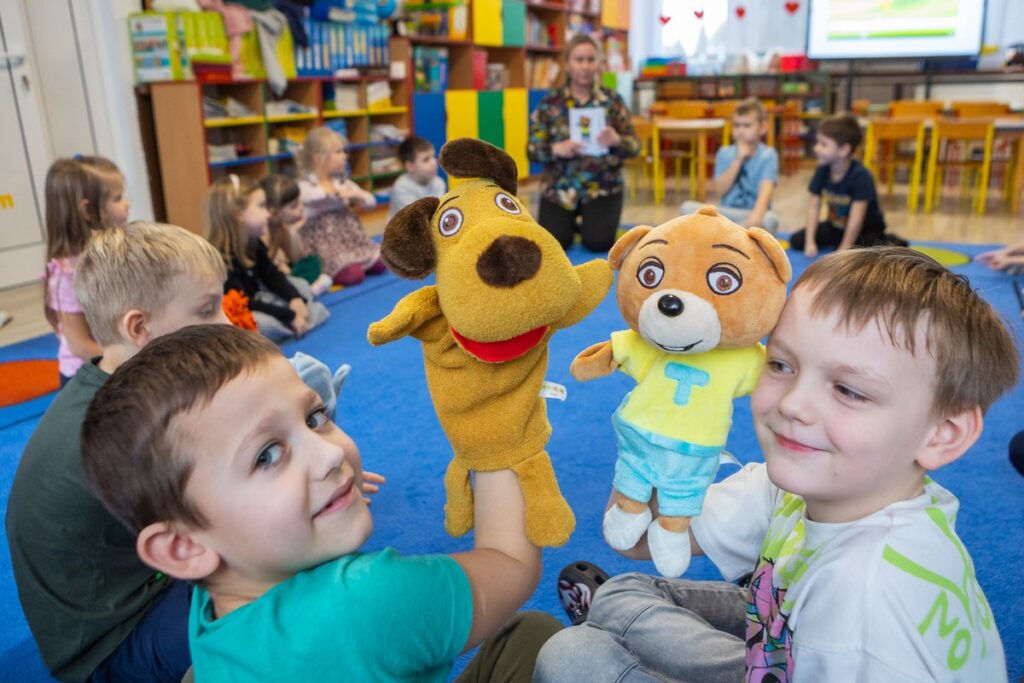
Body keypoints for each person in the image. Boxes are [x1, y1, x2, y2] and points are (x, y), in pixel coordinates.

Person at [535, 247, 1017, 682]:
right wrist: (664, 436)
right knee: (622, 592)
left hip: (815, 647)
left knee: (573, 656)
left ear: (942, 434)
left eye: (849, 390)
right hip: (785, 642)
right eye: (781, 365)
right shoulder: (803, 485)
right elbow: (638, 540)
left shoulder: (863, 604)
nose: (793, 404)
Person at [78, 323, 562, 682]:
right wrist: (498, 422)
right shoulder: (366, 600)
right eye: (267, 455)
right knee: (542, 640)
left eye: (314, 418)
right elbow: (510, 561)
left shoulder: (214, 598)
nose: (330, 453)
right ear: (182, 547)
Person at [7, 222, 227, 683]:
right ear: (140, 327)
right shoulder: (125, 428)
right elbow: (225, 518)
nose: (225, 324)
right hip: (110, 648)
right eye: (208, 309)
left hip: (128, 595)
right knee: (281, 576)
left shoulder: (117, 384)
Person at [527, 34, 640, 252]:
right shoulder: (550, 102)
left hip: (603, 186)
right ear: (567, 64)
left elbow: (635, 147)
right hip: (559, 187)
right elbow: (532, 151)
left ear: (599, 63)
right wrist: (556, 149)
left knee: (598, 242)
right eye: (579, 59)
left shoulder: (612, 101)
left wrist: (617, 140)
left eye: (591, 59)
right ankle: (572, 223)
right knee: (554, 244)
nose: (585, 66)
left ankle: (590, 224)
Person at [206, 174, 330, 342]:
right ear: (238, 213)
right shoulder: (221, 257)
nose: (267, 213)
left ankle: (296, 323)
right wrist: (289, 315)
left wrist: (294, 299)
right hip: (241, 311)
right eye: (262, 206)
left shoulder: (253, 242)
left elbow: (272, 276)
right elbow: (245, 304)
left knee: (299, 287)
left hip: (260, 298)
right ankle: (295, 324)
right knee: (259, 325)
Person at [42, 156, 130, 386]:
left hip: (113, 361)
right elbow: (80, 345)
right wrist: (130, 361)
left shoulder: (105, 253)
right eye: (118, 198)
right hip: (86, 376)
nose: (127, 204)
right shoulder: (68, 276)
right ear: (88, 210)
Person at [790, 113, 906, 256]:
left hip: (865, 229)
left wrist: (843, 251)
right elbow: (813, 206)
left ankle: (890, 241)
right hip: (836, 227)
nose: (816, 148)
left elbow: (857, 220)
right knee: (797, 240)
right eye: (818, 143)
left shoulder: (861, 176)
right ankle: (841, 243)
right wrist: (810, 242)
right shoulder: (823, 169)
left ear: (843, 150)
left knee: (870, 253)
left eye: (823, 144)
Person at [297, 126, 386, 286]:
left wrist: (356, 196)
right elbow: (310, 197)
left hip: (351, 240)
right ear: (319, 158)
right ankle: (343, 268)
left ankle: (359, 262)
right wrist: (333, 193)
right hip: (325, 246)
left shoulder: (341, 181)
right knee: (353, 275)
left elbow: (371, 202)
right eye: (338, 152)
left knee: (381, 263)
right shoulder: (307, 184)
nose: (344, 156)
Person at [681, 98, 780, 232]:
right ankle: (731, 233)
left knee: (770, 219)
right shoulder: (725, 152)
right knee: (686, 208)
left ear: (762, 128)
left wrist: (756, 216)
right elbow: (720, 189)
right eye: (737, 125)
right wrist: (738, 160)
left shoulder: (768, 155)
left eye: (747, 125)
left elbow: (765, 191)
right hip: (726, 215)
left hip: (751, 214)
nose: (740, 131)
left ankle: (727, 234)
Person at [260, 173, 334, 296]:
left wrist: (292, 230)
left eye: (300, 203)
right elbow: (261, 269)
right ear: (272, 211)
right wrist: (279, 268)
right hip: (263, 278)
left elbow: (297, 258)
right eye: (294, 206)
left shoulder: (281, 227)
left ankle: (302, 288)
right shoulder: (263, 231)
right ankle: (304, 290)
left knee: (312, 262)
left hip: (276, 273)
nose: (301, 209)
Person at [387, 134, 446, 220]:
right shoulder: (401, 187)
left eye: (433, 156)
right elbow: (414, 219)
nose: (433, 162)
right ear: (410, 166)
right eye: (426, 159)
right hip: (403, 230)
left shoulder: (439, 183)